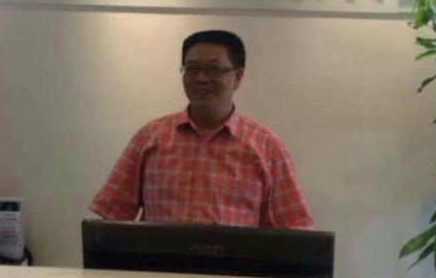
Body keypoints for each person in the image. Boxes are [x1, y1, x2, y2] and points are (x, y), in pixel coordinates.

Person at [90, 30, 313, 228]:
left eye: (213, 69)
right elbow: (113, 216)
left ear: (238, 76)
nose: (201, 78)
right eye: (192, 68)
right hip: (159, 263)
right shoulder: (150, 137)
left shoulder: (267, 146)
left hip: (236, 264)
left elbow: (292, 229)